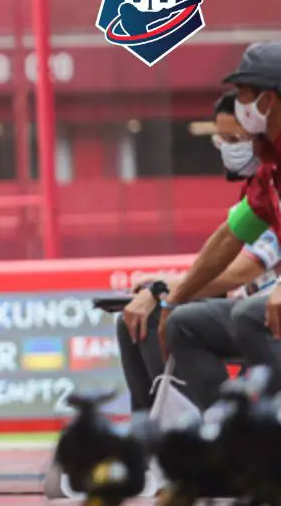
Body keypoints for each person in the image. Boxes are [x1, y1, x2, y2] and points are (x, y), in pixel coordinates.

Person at [117, 90, 279, 411]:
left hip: (262, 313)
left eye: (236, 138)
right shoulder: (253, 194)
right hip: (246, 304)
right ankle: (151, 429)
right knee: (132, 322)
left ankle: (227, 427)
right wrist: (167, 286)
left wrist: (166, 291)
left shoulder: (272, 190)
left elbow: (239, 271)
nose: (230, 148)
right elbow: (223, 248)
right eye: (222, 140)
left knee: (187, 319)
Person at [154, 42, 281, 409]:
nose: (238, 105)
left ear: (269, 100)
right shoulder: (269, 168)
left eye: (243, 95)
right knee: (184, 323)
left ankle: (269, 435)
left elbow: (244, 266)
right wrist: (174, 297)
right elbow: (230, 236)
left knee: (249, 315)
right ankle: (230, 433)